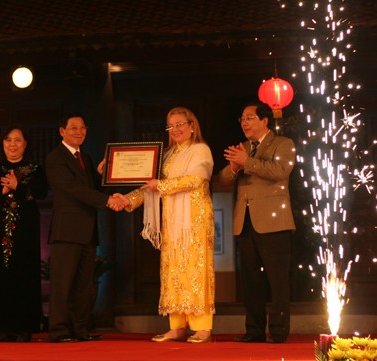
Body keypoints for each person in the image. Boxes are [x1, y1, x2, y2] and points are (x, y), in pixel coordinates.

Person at [116, 107, 215, 343]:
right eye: (171, 126)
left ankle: (202, 327)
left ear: (192, 125)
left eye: (180, 124)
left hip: (195, 220)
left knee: (195, 270)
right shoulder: (168, 155)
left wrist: (160, 185)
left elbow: (195, 179)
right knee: (173, 272)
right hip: (172, 221)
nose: (176, 129)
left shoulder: (201, 150)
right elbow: (151, 186)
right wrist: (127, 200)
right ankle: (177, 326)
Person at [218, 101, 296, 343]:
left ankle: (279, 330)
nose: (244, 122)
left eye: (249, 118)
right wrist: (232, 167)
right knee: (250, 281)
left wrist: (246, 162)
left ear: (264, 120)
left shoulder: (283, 144)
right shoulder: (243, 147)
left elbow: (280, 171)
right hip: (245, 221)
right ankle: (254, 330)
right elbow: (222, 180)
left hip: (275, 221)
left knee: (277, 280)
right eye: (242, 118)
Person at [45, 113, 123, 343]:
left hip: (88, 231)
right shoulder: (55, 158)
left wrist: (100, 175)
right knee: (62, 284)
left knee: (84, 285)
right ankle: (58, 331)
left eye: (83, 128)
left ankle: (80, 329)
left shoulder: (85, 158)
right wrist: (106, 200)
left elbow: (89, 188)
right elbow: (73, 189)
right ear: (62, 131)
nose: (79, 132)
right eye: (73, 128)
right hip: (66, 231)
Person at [0, 125, 48, 342]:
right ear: (2, 144)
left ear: (25, 144)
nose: (13, 145)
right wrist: (3, 191)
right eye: (8, 140)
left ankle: (21, 328)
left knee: (23, 272)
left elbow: (42, 193)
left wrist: (19, 187)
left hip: (25, 229)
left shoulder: (35, 168)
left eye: (18, 140)